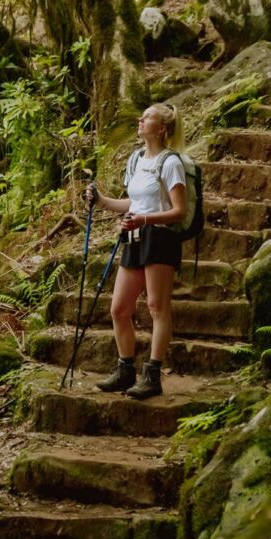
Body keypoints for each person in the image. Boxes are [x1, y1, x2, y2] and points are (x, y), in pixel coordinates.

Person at [85, 103, 187, 399]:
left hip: (160, 239)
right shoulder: (135, 159)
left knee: (157, 307)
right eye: (142, 116)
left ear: (162, 129)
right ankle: (125, 369)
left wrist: (144, 219)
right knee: (119, 308)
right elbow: (132, 203)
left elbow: (179, 211)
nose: (141, 120)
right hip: (134, 236)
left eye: (148, 118)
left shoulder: (171, 163)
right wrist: (101, 199)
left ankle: (153, 375)